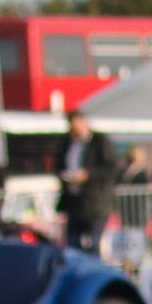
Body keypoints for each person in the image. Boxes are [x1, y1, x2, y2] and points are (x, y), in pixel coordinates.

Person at [58, 105, 116, 253]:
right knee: (73, 243)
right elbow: (59, 165)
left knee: (93, 243)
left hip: (95, 202)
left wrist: (88, 175)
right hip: (74, 201)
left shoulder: (100, 141)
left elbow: (110, 168)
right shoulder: (68, 143)